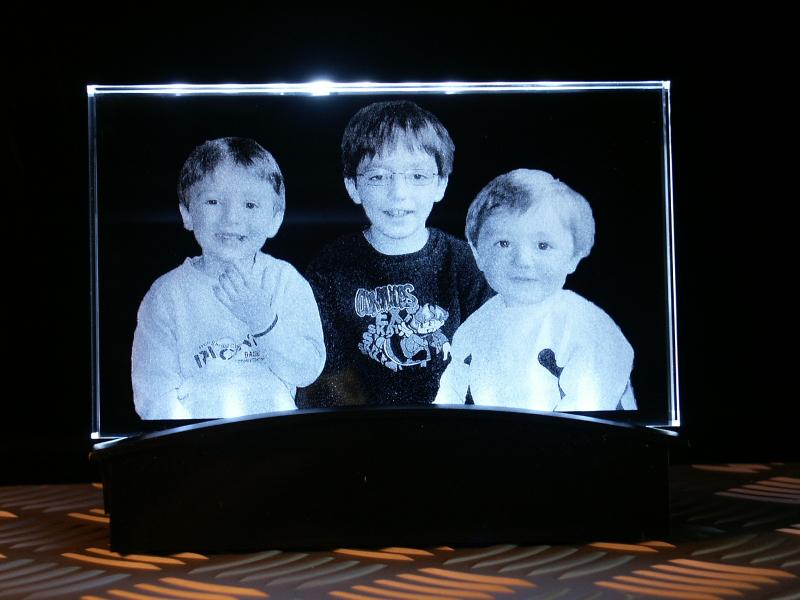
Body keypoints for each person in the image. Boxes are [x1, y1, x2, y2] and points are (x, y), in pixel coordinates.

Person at [297, 100, 492, 406]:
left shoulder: (467, 264)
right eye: (378, 176)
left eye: (417, 176)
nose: (398, 193)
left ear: (441, 184)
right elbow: (325, 382)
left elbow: (490, 365)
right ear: (352, 186)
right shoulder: (329, 268)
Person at [132, 137, 325, 419]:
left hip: (277, 439)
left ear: (275, 219)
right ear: (186, 212)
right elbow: (154, 394)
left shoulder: (285, 282)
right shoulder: (166, 295)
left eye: (250, 205)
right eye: (213, 201)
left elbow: (307, 370)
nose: (231, 218)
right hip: (199, 447)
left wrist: (263, 321)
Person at [435, 169, 636, 411]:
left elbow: (588, 415)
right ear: (477, 254)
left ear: (573, 256)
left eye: (543, 245)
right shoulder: (475, 328)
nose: (523, 261)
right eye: (504, 243)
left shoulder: (586, 327)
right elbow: (449, 394)